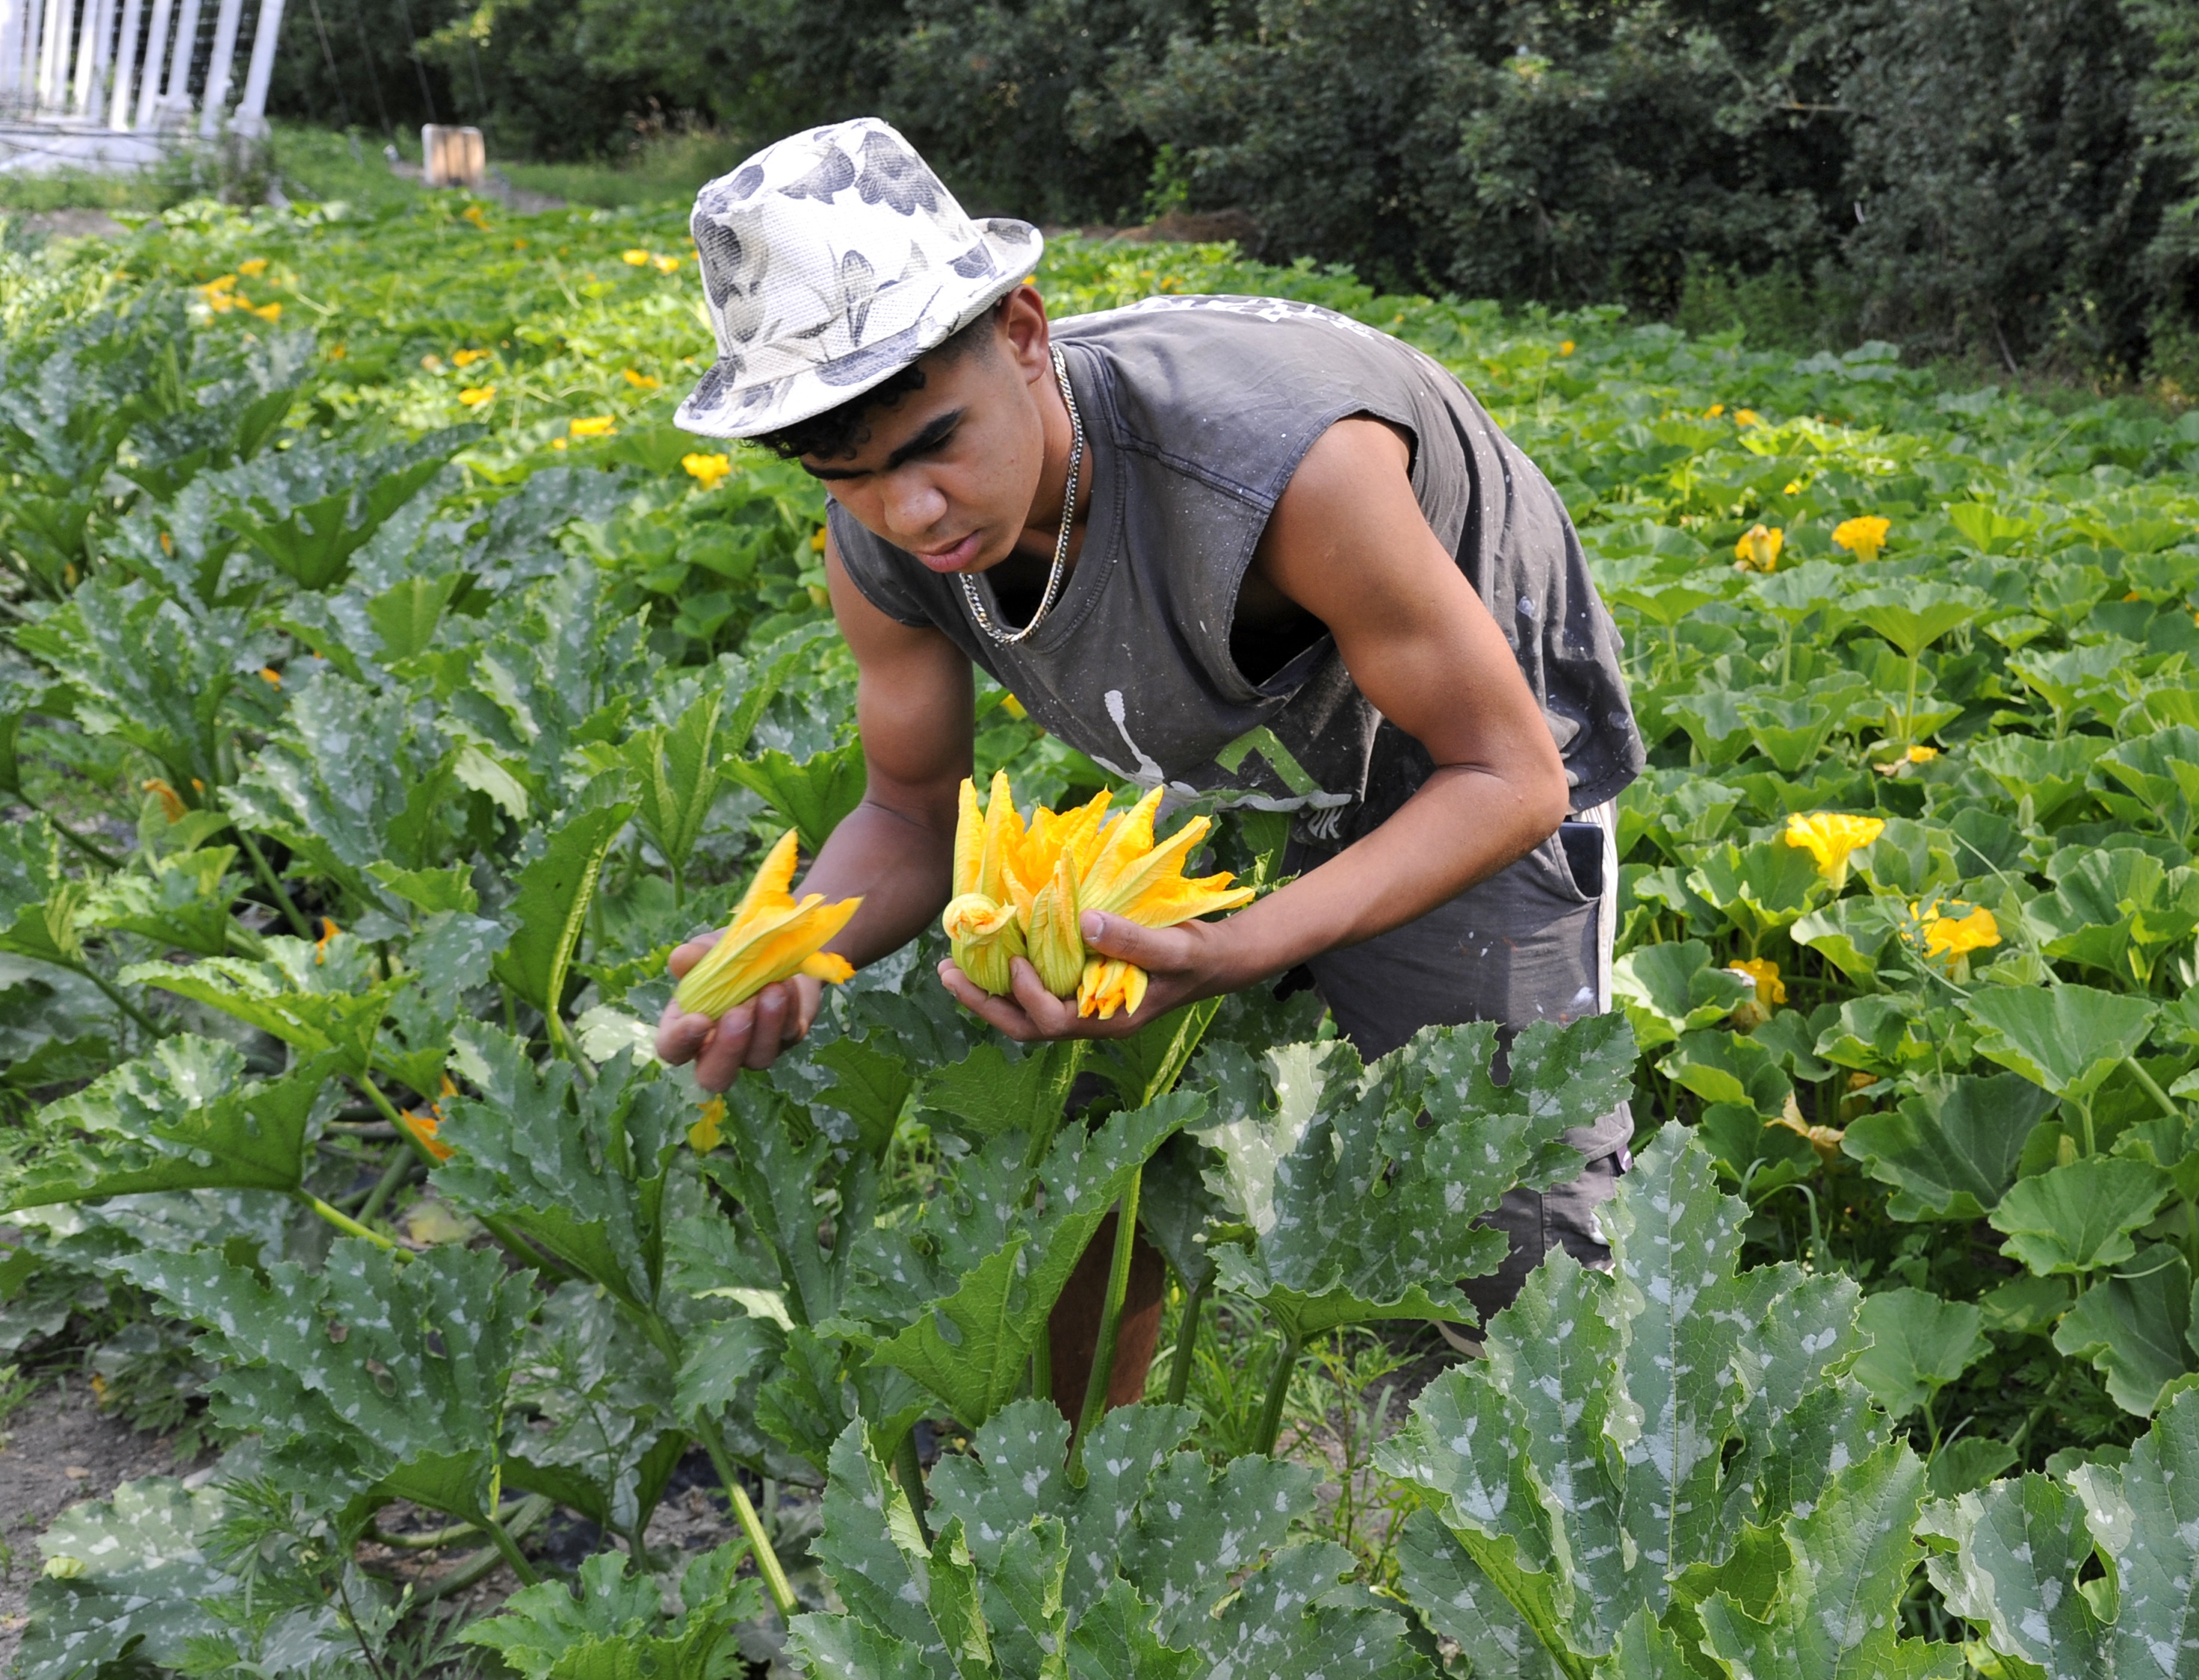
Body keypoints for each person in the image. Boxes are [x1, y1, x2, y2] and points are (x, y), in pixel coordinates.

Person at [649, 119, 1642, 1407]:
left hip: (1454, 755)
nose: (912, 512)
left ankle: (1533, 1531)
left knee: (1507, 1233)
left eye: (935, 445)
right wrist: (796, 941)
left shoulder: (1290, 473)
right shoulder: (885, 549)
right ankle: (1077, 1493)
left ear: (1021, 337)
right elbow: (905, 812)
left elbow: (1509, 778)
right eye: (849, 477)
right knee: (1084, 1142)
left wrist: (1250, 946)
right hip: (1228, 753)